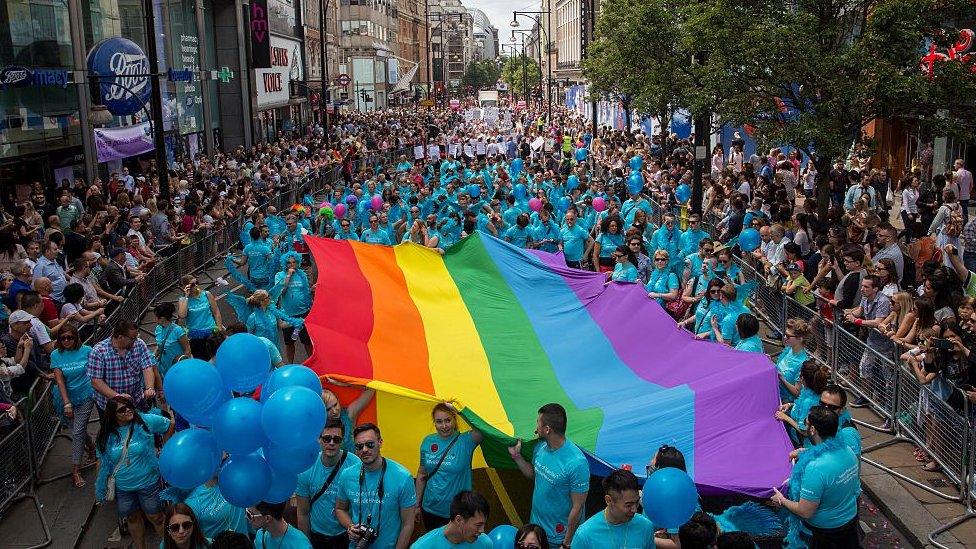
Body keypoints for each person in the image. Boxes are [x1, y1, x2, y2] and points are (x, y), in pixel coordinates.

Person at [771, 406, 861, 548]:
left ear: (812, 430)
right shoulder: (848, 450)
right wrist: (805, 452)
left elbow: (805, 511)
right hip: (849, 523)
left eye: (806, 423)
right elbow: (829, 457)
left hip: (824, 534)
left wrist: (782, 500)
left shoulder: (815, 468)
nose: (804, 426)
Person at [94, 395, 172, 549]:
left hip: (148, 483)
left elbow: (169, 424)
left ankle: (171, 546)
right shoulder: (105, 435)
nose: (128, 410)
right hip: (123, 488)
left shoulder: (144, 421)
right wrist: (100, 487)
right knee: (132, 518)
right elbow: (101, 461)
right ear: (112, 415)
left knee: (156, 517)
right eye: (122, 409)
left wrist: (165, 450)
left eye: (129, 405)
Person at [508, 403, 589, 548]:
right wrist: (517, 457)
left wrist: (566, 543)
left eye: (538, 422)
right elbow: (534, 474)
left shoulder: (577, 463)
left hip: (558, 539)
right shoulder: (540, 447)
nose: (536, 427)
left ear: (547, 429)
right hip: (536, 531)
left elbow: (578, 508)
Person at [335, 423, 418, 549]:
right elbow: (340, 509)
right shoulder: (347, 475)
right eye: (359, 446)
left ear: (380, 442)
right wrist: (350, 526)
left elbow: (408, 524)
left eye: (370, 444)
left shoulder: (403, 477)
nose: (364, 450)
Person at [296, 418, 362, 549]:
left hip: (347, 535)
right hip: (318, 537)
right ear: (319, 439)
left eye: (336, 439)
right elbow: (303, 512)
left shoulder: (355, 464)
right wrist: (306, 545)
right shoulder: (307, 468)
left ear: (342, 441)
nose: (331, 443)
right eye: (327, 438)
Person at [415, 403, 483, 529]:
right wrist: (416, 504)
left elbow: (481, 428)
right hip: (429, 509)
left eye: (448, 420)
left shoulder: (466, 441)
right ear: (434, 423)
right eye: (439, 421)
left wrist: (460, 411)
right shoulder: (427, 441)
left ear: (454, 419)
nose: (444, 426)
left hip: (458, 512)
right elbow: (422, 473)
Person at [50, 323, 95, 488]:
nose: (66, 341)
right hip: (63, 398)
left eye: (70, 337)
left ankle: (75, 469)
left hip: (85, 395)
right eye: (63, 338)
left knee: (77, 432)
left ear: (76, 337)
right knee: (78, 429)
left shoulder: (87, 351)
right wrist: (67, 402)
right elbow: (59, 380)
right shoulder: (56, 355)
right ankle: (91, 445)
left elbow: (95, 372)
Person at [571, 468, 656, 549]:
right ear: (609, 500)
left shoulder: (645, 527)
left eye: (637, 502)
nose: (635, 509)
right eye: (628, 505)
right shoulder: (585, 534)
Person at [86, 320, 156, 412]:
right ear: (120, 337)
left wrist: (149, 388)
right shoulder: (99, 351)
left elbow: (147, 367)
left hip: (136, 400)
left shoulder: (139, 344)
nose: (135, 340)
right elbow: (96, 382)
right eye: (133, 338)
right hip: (111, 406)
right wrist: (118, 397)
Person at [411, 491, 493, 548]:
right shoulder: (422, 546)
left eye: (484, 524)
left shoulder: (485, 544)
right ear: (459, 520)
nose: (482, 530)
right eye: (478, 525)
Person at [321, 380, 375, 452]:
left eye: (335, 405)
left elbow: (371, 389)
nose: (334, 411)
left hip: (354, 462)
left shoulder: (349, 414)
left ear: (338, 400)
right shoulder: (317, 428)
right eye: (328, 409)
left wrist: (345, 384)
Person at [177, 275, 222, 360]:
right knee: (203, 361)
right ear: (186, 287)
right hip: (196, 338)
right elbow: (182, 315)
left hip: (211, 333)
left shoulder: (206, 294)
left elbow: (216, 312)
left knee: (218, 358)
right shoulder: (182, 300)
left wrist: (219, 328)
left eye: (196, 282)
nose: (196, 286)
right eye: (192, 285)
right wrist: (186, 296)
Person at [248, 501, 313, 549]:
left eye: (250, 515)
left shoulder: (301, 545)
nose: (246, 517)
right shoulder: (260, 535)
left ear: (267, 518)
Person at [154, 302, 191, 380]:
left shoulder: (178, 330)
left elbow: (187, 349)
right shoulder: (158, 328)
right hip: (164, 369)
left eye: (157, 317)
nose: (155, 319)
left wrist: (183, 365)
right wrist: (153, 357)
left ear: (163, 318)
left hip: (178, 370)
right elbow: (159, 346)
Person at [777, 319, 811, 403]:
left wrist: (782, 379)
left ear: (800, 338)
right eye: (785, 334)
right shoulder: (788, 349)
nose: (784, 337)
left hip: (785, 403)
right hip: (776, 393)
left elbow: (798, 393)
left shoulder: (803, 363)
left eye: (788, 336)